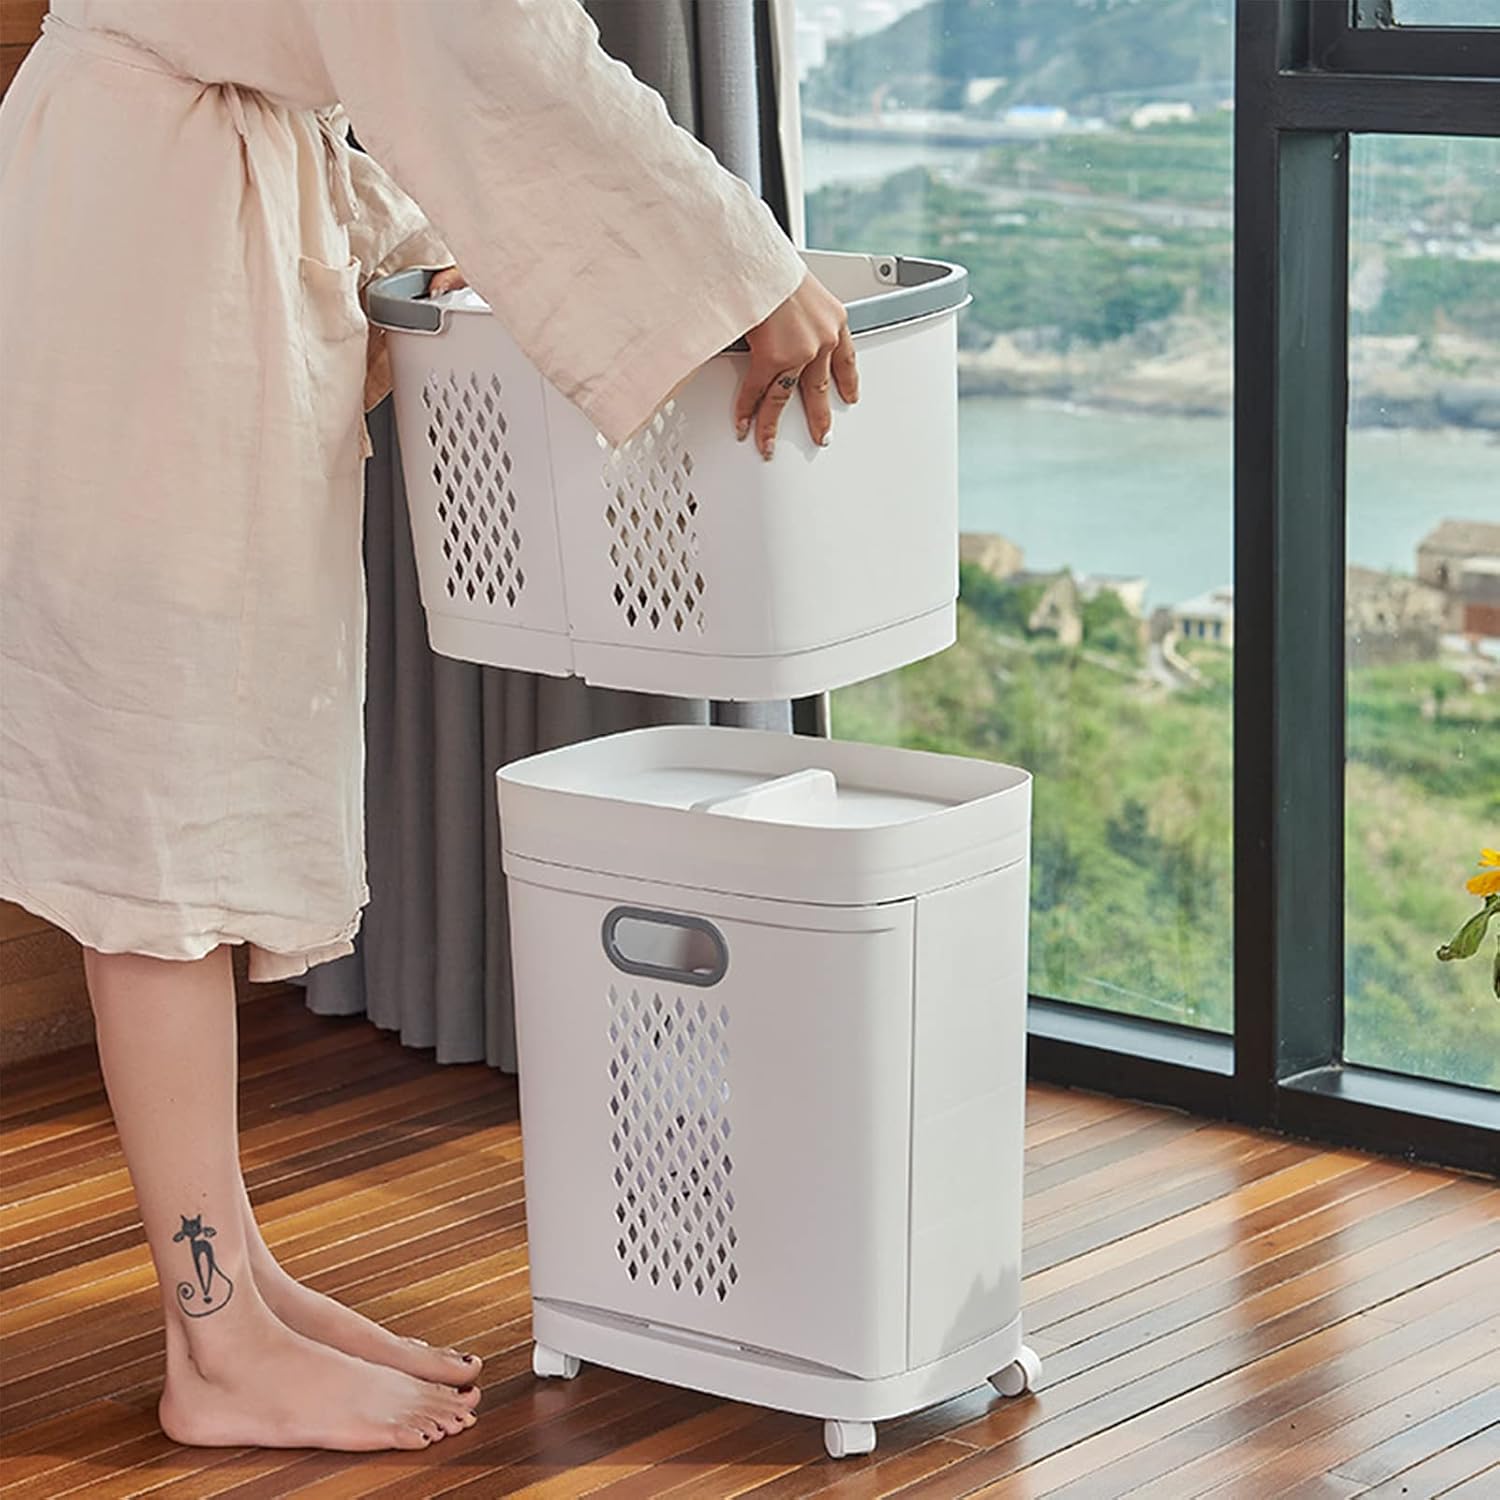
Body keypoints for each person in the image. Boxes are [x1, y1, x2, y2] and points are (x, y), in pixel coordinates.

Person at [0, 0, 859, 1453]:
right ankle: (210, 1346)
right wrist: (743, 265)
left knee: (193, 781)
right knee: (158, 812)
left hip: (168, 203)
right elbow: (463, 24)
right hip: (149, 256)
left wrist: (400, 228)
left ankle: (234, 1287)